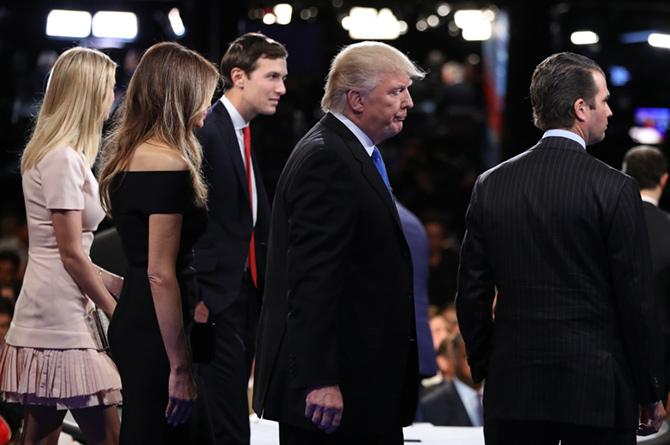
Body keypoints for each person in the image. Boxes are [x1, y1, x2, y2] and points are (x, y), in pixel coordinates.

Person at [456, 51, 665, 445]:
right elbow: (636, 299)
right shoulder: (616, 188)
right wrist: (649, 389)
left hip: (513, 390)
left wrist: (488, 367)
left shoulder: (491, 184)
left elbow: (471, 294)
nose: (610, 112)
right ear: (580, 108)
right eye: (604, 101)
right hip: (598, 393)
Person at [253, 41, 424, 445]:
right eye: (397, 91)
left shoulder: (347, 153)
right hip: (334, 397)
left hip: (358, 388)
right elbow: (312, 279)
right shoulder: (328, 158)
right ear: (356, 100)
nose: (409, 102)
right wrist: (320, 379)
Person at [98, 42, 218, 445]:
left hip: (141, 317)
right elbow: (159, 273)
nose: (206, 111)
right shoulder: (169, 163)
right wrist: (180, 366)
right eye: (203, 97)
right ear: (180, 96)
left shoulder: (129, 153)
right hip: (158, 328)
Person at [0, 47, 122, 445]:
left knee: (40, 433)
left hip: (54, 302)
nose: (113, 97)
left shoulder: (59, 155)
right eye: (109, 88)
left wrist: (118, 284)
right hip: (60, 312)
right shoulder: (62, 159)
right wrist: (113, 308)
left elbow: (68, 250)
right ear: (88, 93)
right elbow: (69, 253)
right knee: (107, 434)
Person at [192, 32, 287, 445]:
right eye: (272, 76)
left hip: (243, 298)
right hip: (213, 302)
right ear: (238, 76)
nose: (281, 88)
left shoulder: (243, 133)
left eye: (282, 78)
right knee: (223, 422)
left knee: (231, 417)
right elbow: (190, 223)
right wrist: (197, 296)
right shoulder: (207, 132)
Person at [622, 145, 670, 406]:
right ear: (664, 179)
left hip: (604, 368)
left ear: (624, 175)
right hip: (658, 372)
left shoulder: (599, 226)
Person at [420, 334, 482, 427]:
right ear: (455, 359)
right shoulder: (433, 404)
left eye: (482, 356)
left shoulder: (501, 396)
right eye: (468, 357)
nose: (477, 363)